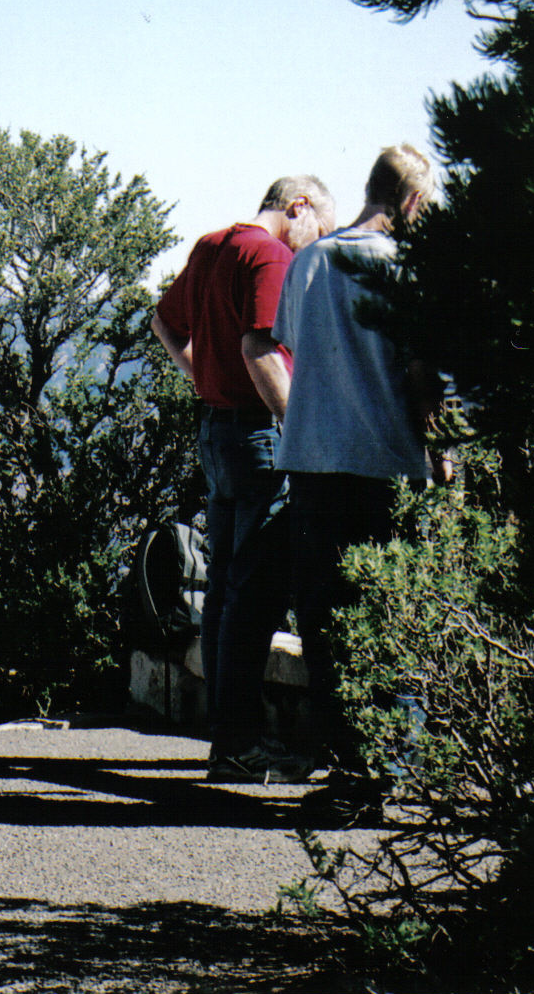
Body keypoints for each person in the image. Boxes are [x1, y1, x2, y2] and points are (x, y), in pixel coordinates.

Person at [271, 143, 442, 825]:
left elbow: (290, 345)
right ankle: (398, 771)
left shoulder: (310, 261)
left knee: (327, 625)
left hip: (315, 463)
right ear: (411, 201)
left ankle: (349, 774)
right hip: (388, 464)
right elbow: (422, 376)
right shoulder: (408, 270)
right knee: (394, 617)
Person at [152, 176, 335, 783]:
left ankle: (228, 739)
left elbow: (164, 323)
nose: (316, 246)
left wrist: (204, 377)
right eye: (319, 231)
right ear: (298, 207)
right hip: (259, 435)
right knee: (255, 591)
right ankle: (238, 745)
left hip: (216, 430)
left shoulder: (211, 245)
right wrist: (301, 433)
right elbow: (261, 348)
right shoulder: (271, 254)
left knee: (226, 589)